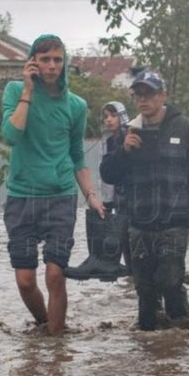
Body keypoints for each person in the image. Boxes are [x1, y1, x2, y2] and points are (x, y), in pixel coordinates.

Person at [100, 70, 189, 331]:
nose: (143, 100)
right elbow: (108, 174)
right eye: (138, 95)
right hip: (138, 221)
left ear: (163, 96)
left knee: (170, 280)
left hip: (175, 220)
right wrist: (123, 152)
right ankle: (151, 345)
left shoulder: (186, 128)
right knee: (144, 287)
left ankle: (179, 338)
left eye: (149, 94)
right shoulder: (127, 132)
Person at [0, 34, 104, 335]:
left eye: (57, 59)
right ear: (33, 62)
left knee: (55, 275)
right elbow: (11, 135)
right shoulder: (15, 91)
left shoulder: (76, 105)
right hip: (21, 197)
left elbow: (76, 156)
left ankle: (56, 348)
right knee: (25, 280)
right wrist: (28, 92)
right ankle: (45, 324)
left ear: (65, 63)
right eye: (45, 59)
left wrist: (92, 196)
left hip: (61, 197)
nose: (51, 65)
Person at [64, 101, 132, 281]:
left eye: (113, 115)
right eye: (106, 117)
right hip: (118, 197)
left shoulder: (127, 137)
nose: (109, 120)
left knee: (130, 243)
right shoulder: (109, 140)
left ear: (122, 116)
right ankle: (114, 270)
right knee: (122, 239)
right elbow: (107, 174)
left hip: (130, 198)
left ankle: (124, 274)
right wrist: (107, 202)